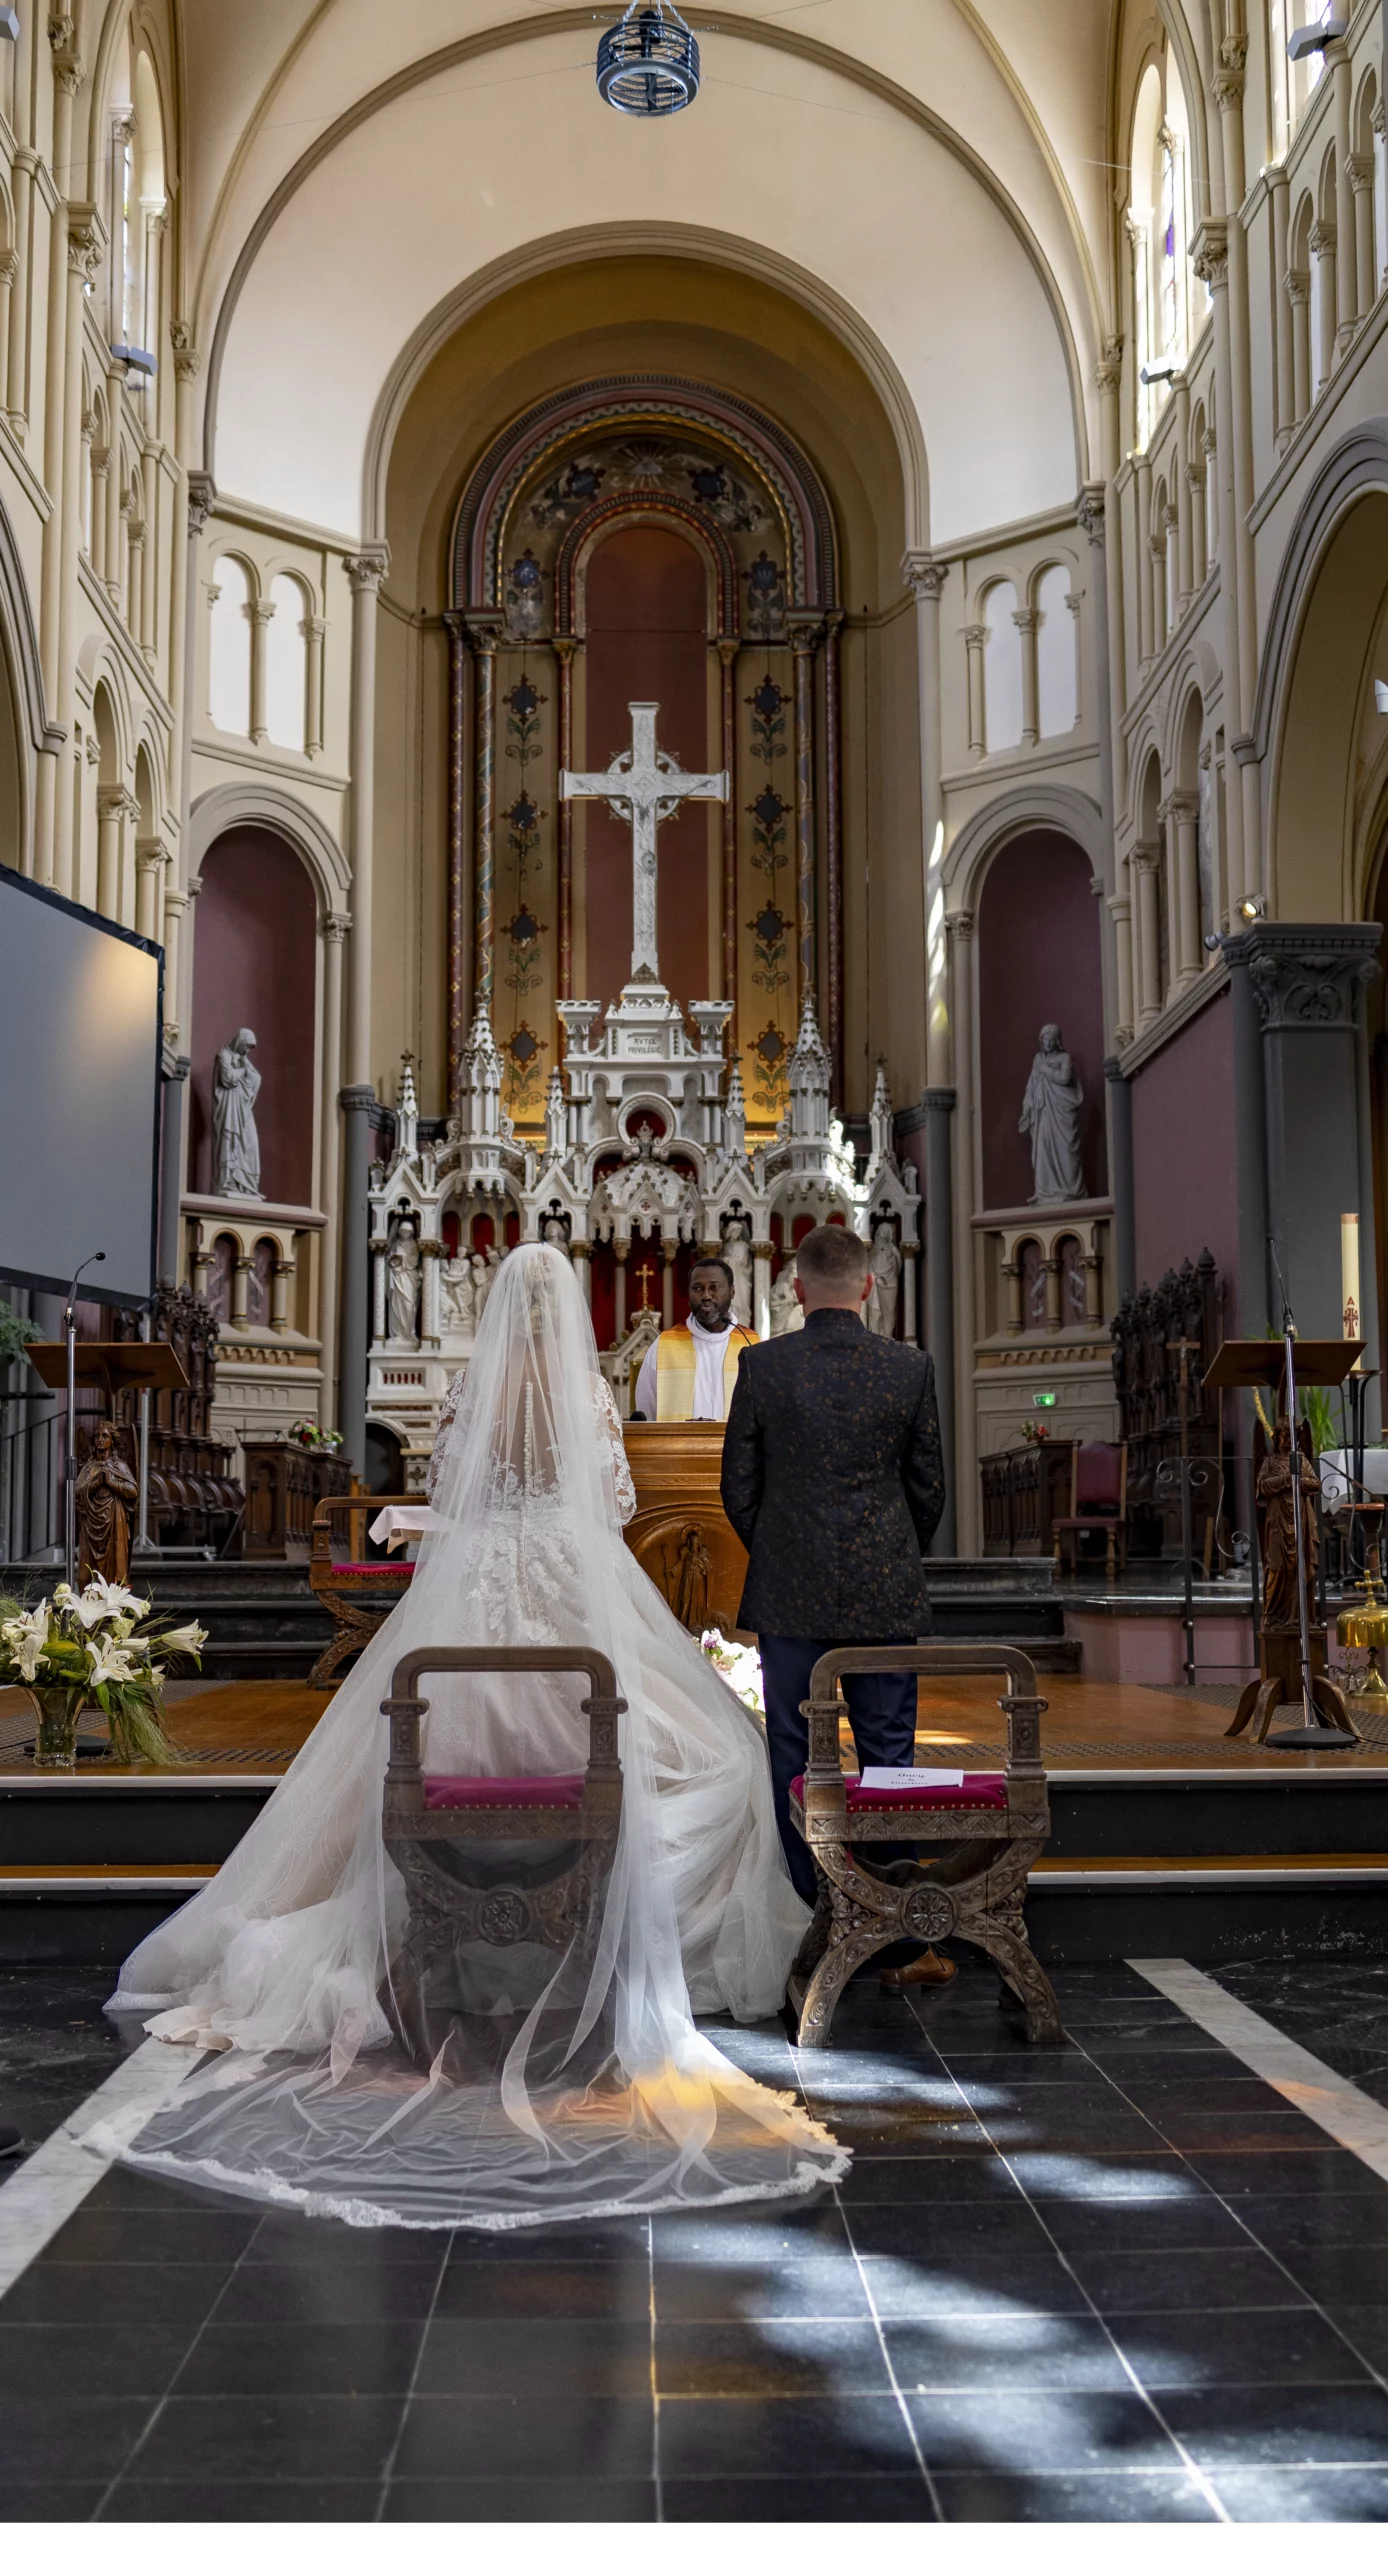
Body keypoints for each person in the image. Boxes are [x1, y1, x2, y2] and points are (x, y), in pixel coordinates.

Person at [92, 1245, 840, 2229]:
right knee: (710, 1749)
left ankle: (443, 1921)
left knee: (424, 1723)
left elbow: (450, 1493)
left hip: (477, 1570)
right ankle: (586, 1931)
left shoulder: (472, 1388)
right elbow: (611, 1504)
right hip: (577, 1575)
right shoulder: (582, 1391)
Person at [721, 1221, 954, 1992]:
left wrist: (785, 1547)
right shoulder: (909, 1367)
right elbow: (929, 1490)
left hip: (789, 1591)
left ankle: (810, 1910)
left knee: (793, 1752)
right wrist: (887, 1550)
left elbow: (739, 1490)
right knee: (890, 1753)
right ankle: (892, 1928)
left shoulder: (763, 1366)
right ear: (867, 1285)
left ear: (795, 1287)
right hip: (883, 1591)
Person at [632, 1255, 759, 1421]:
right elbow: (645, 1413)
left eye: (714, 1287)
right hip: (678, 1446)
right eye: (697, 1288)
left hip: (736, 1447)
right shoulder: (664, 1346)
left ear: (732, 1291)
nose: (706, 1295)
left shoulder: (752, 1345)